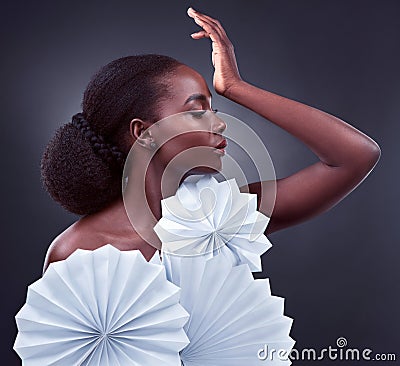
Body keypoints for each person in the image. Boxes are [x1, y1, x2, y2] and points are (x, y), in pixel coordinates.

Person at [41, 7, 380, 273]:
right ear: (143, 132)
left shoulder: (220, 217)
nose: (219, 124)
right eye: (197, 110)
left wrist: (236, 87)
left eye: (213, 107)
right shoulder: (74, 253)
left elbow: (356, 156)